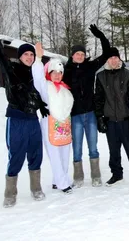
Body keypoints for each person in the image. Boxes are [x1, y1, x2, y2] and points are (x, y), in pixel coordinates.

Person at [0, 9, 48, 208]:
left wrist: (43, 105)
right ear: (20, 56)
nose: (29, 56)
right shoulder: (12, 70)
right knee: (16, 154)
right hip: (16, 119)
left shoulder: (36, 72)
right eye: (26, 54)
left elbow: (40, 90)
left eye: (31, 54)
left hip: (33, 119)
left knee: (36, 153)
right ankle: (10, 192)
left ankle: (36, 188)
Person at [63, 25, 110, 187]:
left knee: (93, 146)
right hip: (75, 114)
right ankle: (78, 176)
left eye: (83, 54)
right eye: (78, 53)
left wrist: (101, 37)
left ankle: (96, 175)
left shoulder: (90, 67)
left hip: (90, 113)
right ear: (72, 55)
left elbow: (106, 54)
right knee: (76, 148)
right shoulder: (65, 71)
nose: (80, 56)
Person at [95, 47, 129, 186]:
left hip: (126, 119)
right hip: (110, 121)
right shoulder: (100, 76)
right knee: (113, 150)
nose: (113, 60)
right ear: (107, 60)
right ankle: (116, 174)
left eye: (115, 57)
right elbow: (98, 99)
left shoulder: (128, 75)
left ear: (119, 59)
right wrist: (99, 118)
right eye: (111, 58)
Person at [32, 43, 74, 194]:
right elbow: (37, 77)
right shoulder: (45, 85)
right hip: (50, 123)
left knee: (64, 152)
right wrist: (38, 59)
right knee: (54, 154)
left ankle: (59, 180)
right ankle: (63, 183)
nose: (57, 75)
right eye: (54, 72)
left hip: (64, 125)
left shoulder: (64, 89)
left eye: (60, 72)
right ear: (49, 72)